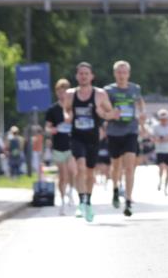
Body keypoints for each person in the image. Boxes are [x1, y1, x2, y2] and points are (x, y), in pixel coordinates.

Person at [64, 62, 118, 222]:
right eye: (81, 73)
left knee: (89, 172)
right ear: (76, 76)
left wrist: (103, 115)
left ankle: (88, 201)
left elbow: (111, 113)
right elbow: (66, 110)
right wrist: (68, 116)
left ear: (91, 76)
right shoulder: (70, 94)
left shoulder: (100, 94)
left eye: (86, 73)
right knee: (80, 167)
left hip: (93, 137)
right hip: (77, 136)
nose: (83, 76)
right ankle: (82, 202)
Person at [104, 60, 146, 217]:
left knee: (129, 167)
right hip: (114, 132)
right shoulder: (108, 90)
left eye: (124, 72)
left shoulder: (135, 88)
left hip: (131, 130)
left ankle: (128, 200)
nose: (122, 75)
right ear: (115, 74)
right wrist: (110, 114)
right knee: (116, 167)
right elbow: (102, 107)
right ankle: (115, 188)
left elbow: (141, 102)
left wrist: (142, 112)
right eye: (119, 72)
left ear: (128, 74)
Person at [45, 78, 77, 214]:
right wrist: (52, 130)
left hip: (73, 145)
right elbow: (47, 127)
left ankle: (71, 191)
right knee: (62, 175)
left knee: (72, 171)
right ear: (57, 93)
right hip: (58, 146)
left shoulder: (74, 108)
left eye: (65, 91)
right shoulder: (52, 109)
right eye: (59, 91)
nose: (62, 94)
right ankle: (62, 201)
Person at [152, 109, 168, 195]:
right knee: (161, 167)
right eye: (162, 119)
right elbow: (153, 138)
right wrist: (161, 139)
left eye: (165, 118)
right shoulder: (156, 127)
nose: (163, 120)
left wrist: (166, 138)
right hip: (160, 150)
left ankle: (166, 188)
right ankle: (160, 181)